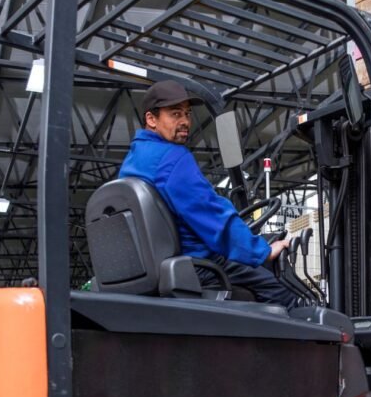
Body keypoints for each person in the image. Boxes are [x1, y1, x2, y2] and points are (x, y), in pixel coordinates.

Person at [118, 80, 299, 308]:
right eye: (175, 114)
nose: (185, 121)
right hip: (198, 266)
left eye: (187, 113)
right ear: (151, 119)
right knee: (280, 292)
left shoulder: (132, 162)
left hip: (161, 264)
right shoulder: (172, 159)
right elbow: (212, 216)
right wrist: (261, 252)